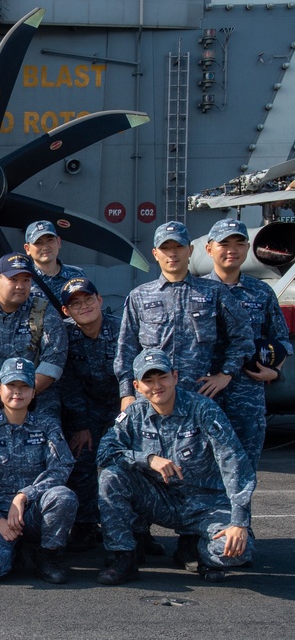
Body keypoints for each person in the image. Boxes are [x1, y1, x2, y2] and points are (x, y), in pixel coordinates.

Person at [114, 220, 255, 569]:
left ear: (190, 251)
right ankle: (136, 537)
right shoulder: (140, 296)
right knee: (143, 465)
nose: (172, 254)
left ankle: (193, 539)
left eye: (178, 247)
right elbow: (125, 349)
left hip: (197, 404)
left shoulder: (214, 293)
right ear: (155, 254)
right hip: (151, 402)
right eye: (166, 248)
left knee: (198, 469)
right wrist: (126, 394)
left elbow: (242, 337)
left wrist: (226, 373)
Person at [96, 349, 256, 585]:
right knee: (111, 477)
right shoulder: (134, 414)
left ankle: (200, 552)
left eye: (162, 377)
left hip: (207, 504)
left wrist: (239, 522)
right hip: (161, 501)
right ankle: (124, 557)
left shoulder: (203, 409)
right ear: (137, 386)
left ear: (175, 376)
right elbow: (104, 453)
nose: (157, 386)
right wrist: (148, 459)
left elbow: (234, 463)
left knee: (237, 550)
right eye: (148, 381)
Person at [0, 357, 77, 584]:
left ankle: (47, 556)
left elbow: (61, 467)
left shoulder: (47, 426)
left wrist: (25, 495)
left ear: (34, 392)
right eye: (11, 385)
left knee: (63, 497)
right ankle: (13, 550)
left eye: (24, 386)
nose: (17, 392)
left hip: (34, 510)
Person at [202, 218, 292, 471]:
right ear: (209, 249)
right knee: (202, 473)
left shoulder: (260, 292)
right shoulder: (196, 291)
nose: (232, 250)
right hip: (204, 396)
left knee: (244, 471)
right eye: (224, 244)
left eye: (239, 243)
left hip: (247, 399)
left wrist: (275, 372)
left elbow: (282, 340)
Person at [0, 253, 67, 420]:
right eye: (13, 279)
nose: (20, 286)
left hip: (38, 405)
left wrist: (22, 398)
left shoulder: (45, 314)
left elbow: (53, 362)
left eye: (26, 280)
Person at [55, 277, 120, 551]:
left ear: (99, 300)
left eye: (88, 300)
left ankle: (138, 530)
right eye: (75, 304)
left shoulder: (122, 329)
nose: (84, 307)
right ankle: (85, 525)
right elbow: (68, 382)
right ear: (66, 311)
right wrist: (81, 424)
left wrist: (126, 417)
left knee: (125, 464)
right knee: (82, 460)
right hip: (84, 408)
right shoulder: (65, 334)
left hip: (121, 407)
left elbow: (131, 374)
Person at [23, 220, 85, 302]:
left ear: (58, 242)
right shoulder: (24, 279)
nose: (45, 247)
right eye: (38, 242)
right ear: (27, 249)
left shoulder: (76, 275)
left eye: (50, 240)